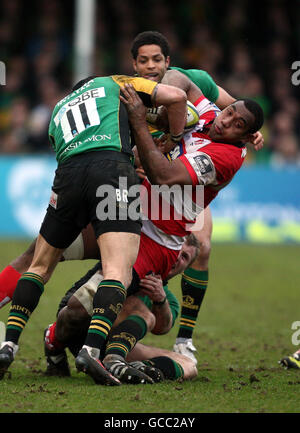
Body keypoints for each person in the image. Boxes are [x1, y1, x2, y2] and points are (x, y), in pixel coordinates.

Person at [0, 74, 188, 385]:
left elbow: (59, 148)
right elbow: (177, 98)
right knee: (117, 270)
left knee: (38, 266)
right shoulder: (113, 82)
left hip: (67, 176)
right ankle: (91, 349)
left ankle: (9, 345)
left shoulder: (57, 110)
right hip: (112, 170)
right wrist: (173, 140)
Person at [130, 31, 264, 363]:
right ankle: (122, 304)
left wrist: (247, 128)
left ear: (168, 62)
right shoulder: (129, 93)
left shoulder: (197, 83)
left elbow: (226, 103)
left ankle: (183, 338)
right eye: (144, 61)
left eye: (157, 60)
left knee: (200, 246)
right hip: (139, 182)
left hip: (185, 186)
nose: (151, 67)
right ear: (134, 64)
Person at [44, 234, 200, 383]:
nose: (178, 257)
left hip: (113, 343)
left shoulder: (166, 298)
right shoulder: (126, 264)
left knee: (189, 365)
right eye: (177, 250)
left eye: (185, 257)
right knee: (142, 312)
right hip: (79, 325)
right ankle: (55, 337)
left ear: (185, 269)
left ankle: (142, 367)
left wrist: (160, 300)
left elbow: (162, 328)